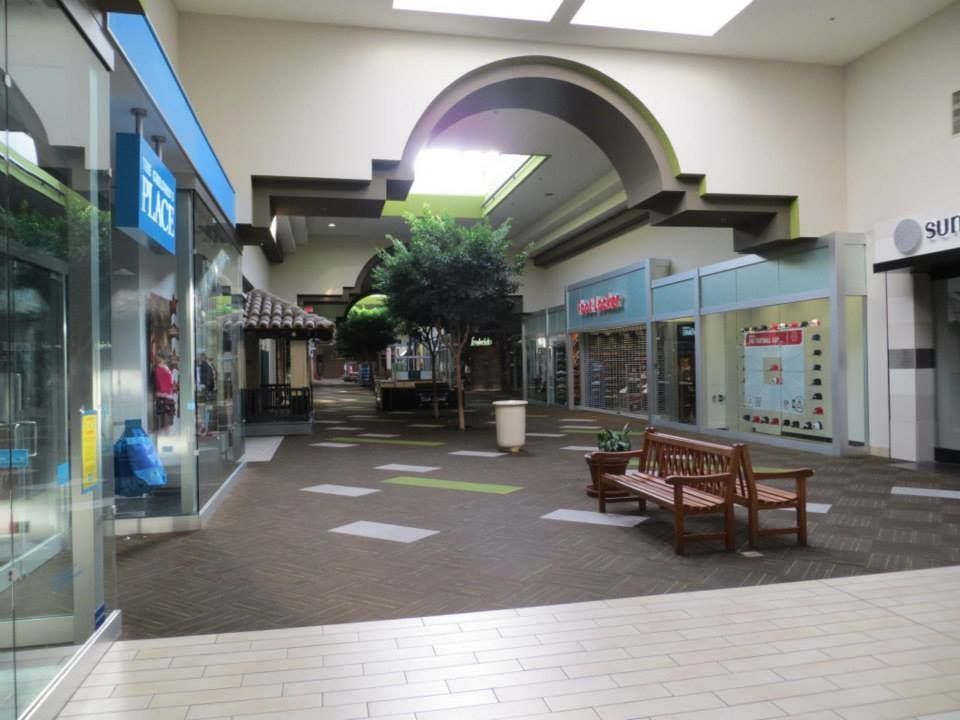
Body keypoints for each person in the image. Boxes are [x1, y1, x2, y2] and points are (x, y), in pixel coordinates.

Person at [153, 351, 176, 430]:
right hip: (164, 396)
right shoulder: (160, 369)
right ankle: (164, 439)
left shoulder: (164, 368)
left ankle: (165, 438)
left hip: (166, 396)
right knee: (164, 421)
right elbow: (163, 382)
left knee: (167, 421)